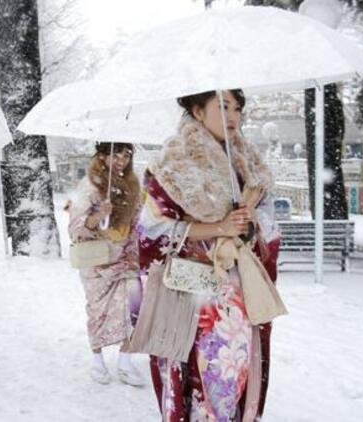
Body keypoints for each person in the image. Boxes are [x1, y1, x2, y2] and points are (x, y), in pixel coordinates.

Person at [136, 90, 280, 421]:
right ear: (198, 111)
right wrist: (218, 226)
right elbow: (151, 232)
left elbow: (267, 229)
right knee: (203, 382)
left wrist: (250, 225)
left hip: (239, 291)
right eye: (223, 106)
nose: (233, 116)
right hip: (194, 294)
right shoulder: (174, 165)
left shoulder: (250, 166)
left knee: (236, 381)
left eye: (238, 108)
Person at [67, 142, 144, 386]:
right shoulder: (88, 186)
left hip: (123, 258)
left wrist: (133, 251)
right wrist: (100, 215)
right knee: (97, 311)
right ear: (102, 156)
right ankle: (97, 360)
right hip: (96, 260)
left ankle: (125, 360)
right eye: (116, 155)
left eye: (126, 155)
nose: (122, 160)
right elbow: (75, 228)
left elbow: (136, 224)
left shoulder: (132, 185)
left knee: (133, 308)